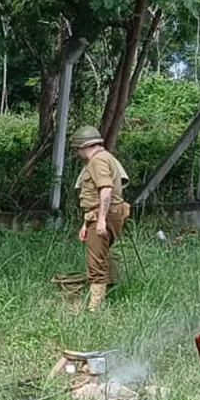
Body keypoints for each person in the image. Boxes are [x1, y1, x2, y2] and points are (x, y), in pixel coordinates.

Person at [72, 125, 130, 312]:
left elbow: (105, 190)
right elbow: (94, 198)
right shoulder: (105, 157)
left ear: (84, 146)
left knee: (95, 260)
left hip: (104, 215)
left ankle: (95, 307)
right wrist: (86, 223)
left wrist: (101, 220)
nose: (77, 152)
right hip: (100, 214)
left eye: (77, 148)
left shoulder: (98, 161)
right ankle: (108, 290)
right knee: (100, 254)